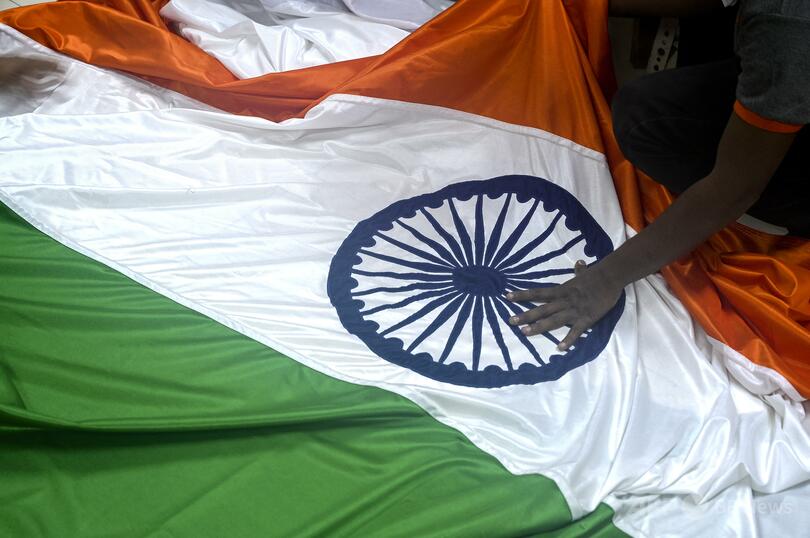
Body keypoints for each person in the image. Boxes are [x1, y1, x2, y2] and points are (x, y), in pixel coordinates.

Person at [508, 0, 809, 349]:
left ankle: (780, 212)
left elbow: (735, 188)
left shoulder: (788, 27)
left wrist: (605, 279)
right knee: (643, 115)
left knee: (651, 130)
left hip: (787, 97)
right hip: (783, 58)